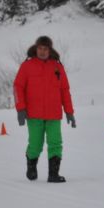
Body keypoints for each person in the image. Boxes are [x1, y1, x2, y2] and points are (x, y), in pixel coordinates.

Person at [14, 35, 76, 183]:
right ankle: (31, 166)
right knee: (35, 144)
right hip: (33, 114)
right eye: (40, 48)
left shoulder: (57, 66)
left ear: (50, 50)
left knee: (55, 143)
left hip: (54, 114)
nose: (42, 51)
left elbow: (65, 90)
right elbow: (18, 87)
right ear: (36, 49)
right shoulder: (27, 66)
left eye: (45, 49)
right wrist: (20, 109)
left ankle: (53, 174)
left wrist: (69, 111)